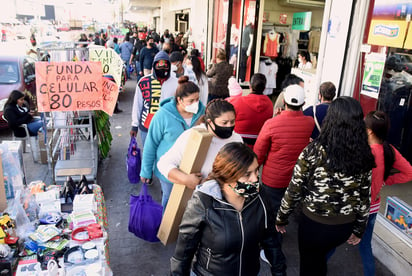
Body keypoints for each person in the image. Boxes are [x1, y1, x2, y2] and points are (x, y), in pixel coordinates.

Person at [275, 97, 376, 276]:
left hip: (314, 225)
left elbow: (295, 189)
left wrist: (282, 218)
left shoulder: (313, 151)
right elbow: (364, 197)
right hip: (344, 227)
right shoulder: (364, 154)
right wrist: (359, 229)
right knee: (320, 261)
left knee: (309, 265)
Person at [170, 142, 280, 275]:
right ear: (228, 175)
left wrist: (279, 271)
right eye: (247, 174)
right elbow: (183, 252)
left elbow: (271, 241)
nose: (255, 179)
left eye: (257, 170)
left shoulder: (260, 197)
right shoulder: (203, 203)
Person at [254, 84, 314, 274]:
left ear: (284, 102)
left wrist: (254, 172)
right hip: (298, 178)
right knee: (287, 210)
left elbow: (259, 153)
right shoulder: (310, 123)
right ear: (303, 103)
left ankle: (272, 250)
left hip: (274, 178)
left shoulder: (272, 123)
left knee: (272, 214)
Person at [359, 111, 412, 276]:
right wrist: (386, 180)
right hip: (373, 208)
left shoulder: (363, 152)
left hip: (356, 209)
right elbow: (409, 172)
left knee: (333, 241)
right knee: (365, 246)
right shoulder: (389, 150)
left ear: (369, 131)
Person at [140, 76, 205, 209]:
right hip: (169, 170)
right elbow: (151, 144)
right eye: (191, 101)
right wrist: (146, 171)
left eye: (197, 99)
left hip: (193, 168)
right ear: (179, 100)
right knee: (171, 203)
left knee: (192, 204)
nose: (196, 104)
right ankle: (167, 229)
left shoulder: (202, 113)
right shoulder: (162, 115)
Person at [158, 99, 243, 197]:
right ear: (210, 122)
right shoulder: (192, 136)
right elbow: (163, 164)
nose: (229, 126)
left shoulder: (236, 138)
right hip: (197, 200)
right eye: (224, 123)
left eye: (232, 122)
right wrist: (186, 179)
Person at [131, 51, 178, 146]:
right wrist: (134, 125)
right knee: (149, 156)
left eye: (165, 66)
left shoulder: (176, 83)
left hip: (168, 127)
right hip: (147, 127)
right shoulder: (143, 82)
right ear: (154, 66)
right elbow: (137, 104)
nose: (162, 69)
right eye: (159, 67)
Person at [229, 73, 273, 149]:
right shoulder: (270, 104)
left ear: (250, 86)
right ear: (264, 88)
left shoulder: (237, 102)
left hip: (237, 145)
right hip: (259, 144)